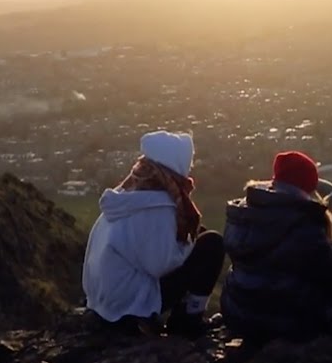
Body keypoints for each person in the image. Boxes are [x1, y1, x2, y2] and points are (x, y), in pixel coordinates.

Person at [83, 130, 226, 338]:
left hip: (106, 297)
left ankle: (183, 314)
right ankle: (188, 320)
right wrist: (190, 245)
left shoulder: (130, 192)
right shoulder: (156, 206)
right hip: (128, 305)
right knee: (212, 244)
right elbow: (161, 265)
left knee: (197, 235)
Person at [219, 151, 332, 344]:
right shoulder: (302, 223)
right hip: (283, 321)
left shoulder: (242, 212)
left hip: (236, 309)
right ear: (307, 185)